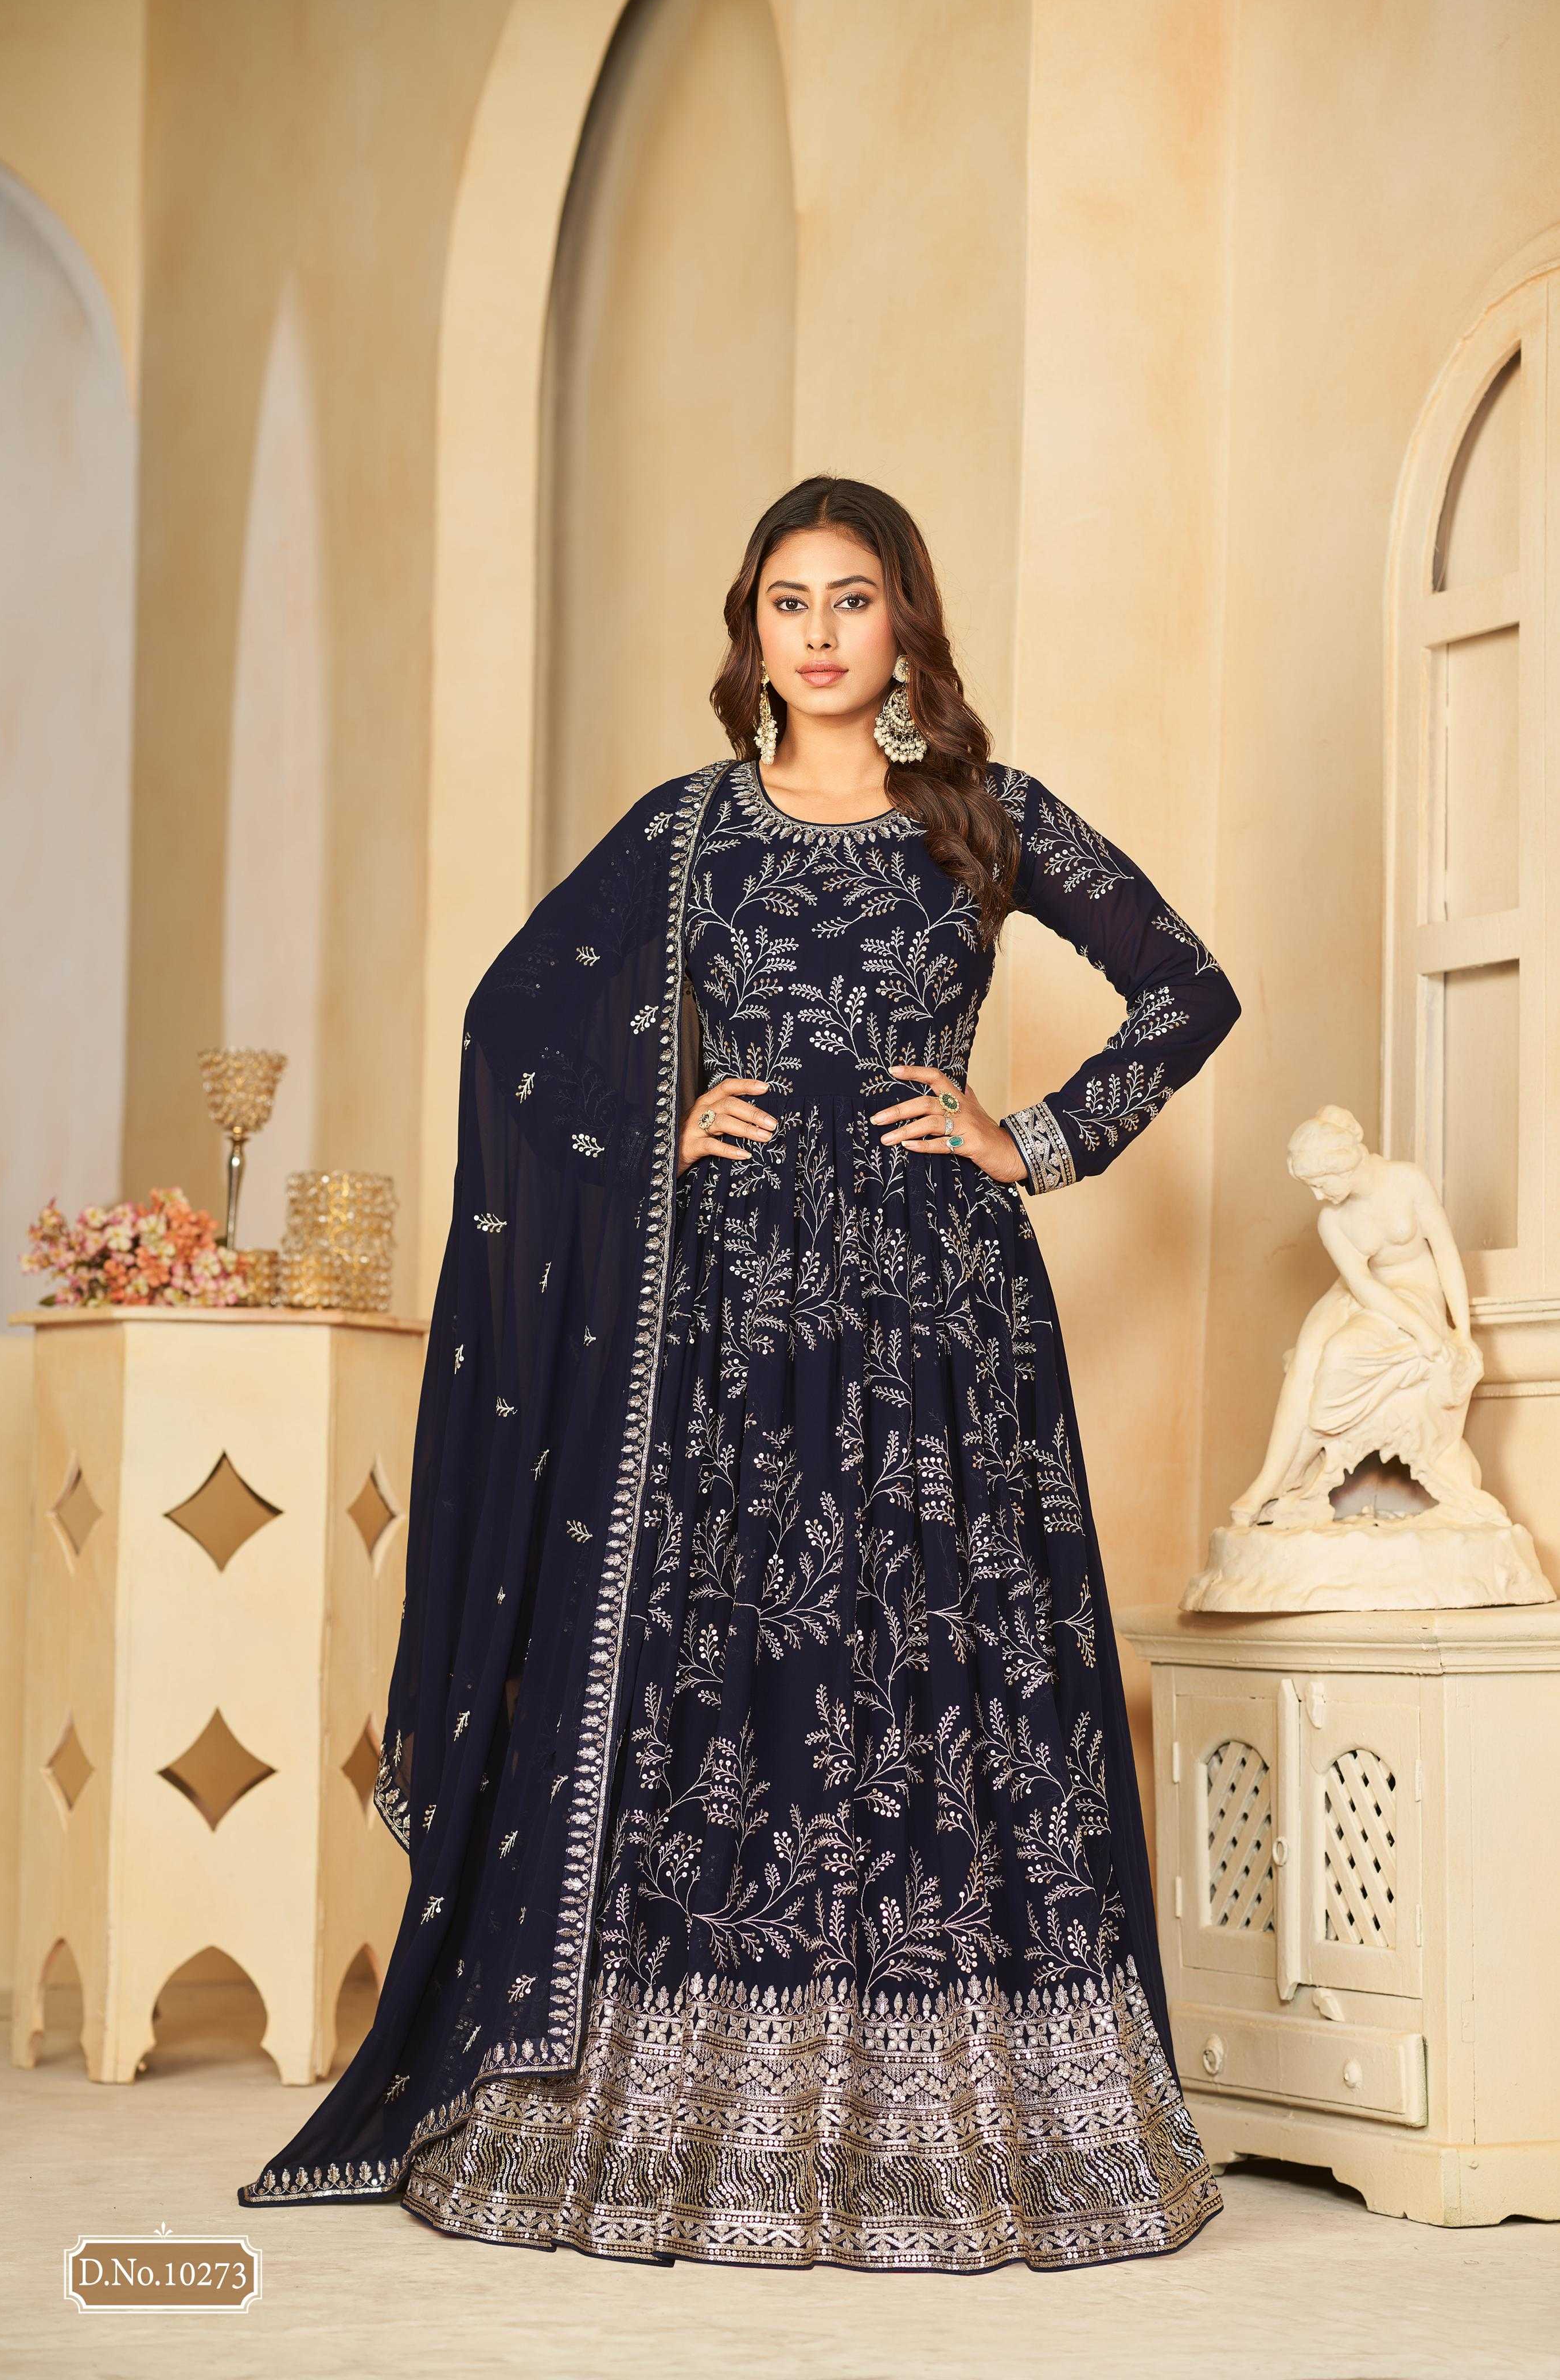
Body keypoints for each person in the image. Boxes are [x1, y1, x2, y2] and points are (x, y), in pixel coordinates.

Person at [237, 475, 1241, 2272]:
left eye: (854, 599)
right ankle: (690, 2114)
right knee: (734, 1679)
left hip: (942, 1325)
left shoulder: (987, 817)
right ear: (752, 633)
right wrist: (654, 1131)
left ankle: (962, 2113)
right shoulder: (686, 830)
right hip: (730, 1316)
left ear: (905, 624)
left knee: (936, 1674)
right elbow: (510, 1026)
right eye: (791, 602)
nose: (822, 632)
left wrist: (1029, 1138)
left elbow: (1188, 989)